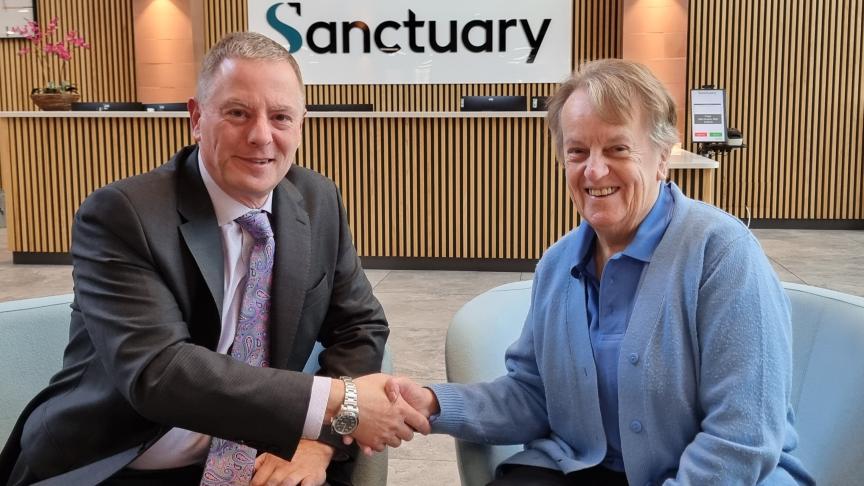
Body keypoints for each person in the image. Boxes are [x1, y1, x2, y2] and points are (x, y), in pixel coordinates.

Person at [0, 32, 428, 486]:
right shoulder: (122, 215)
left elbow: (359, 326)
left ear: (301, 126)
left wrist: (319, 441)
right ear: (197, 117)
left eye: (281, 117)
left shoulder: (316, 199)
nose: (261, 135)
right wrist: (339, 400)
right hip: (122, 462)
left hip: (262, 458)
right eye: (238, 113)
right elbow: (161, 372)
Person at [388, 59, 815, 485]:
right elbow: (533, 396)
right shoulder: (557, 265)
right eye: (577, 152)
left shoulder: (722, 254)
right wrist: (432, 404)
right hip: (582, 466)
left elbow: (743, 436)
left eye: (617, 149)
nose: (594, 170)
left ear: (662, 157)